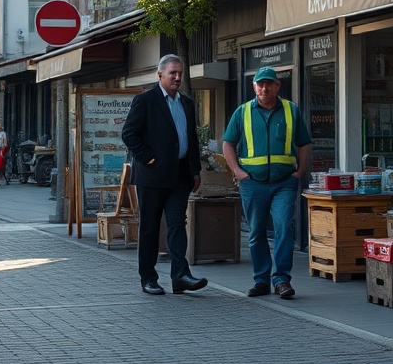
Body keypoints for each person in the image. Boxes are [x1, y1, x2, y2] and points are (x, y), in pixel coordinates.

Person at [121, 54, 208, 297]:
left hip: (180, 175)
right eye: (173, 73)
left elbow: (191, 139)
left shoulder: (187, 103)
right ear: (160, 75)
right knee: (149, 228)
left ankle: (180, 276)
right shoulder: (145, 100)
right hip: (152, 175)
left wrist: (195, 170)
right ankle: (148, 277)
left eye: (180, 73)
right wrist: (147, 157)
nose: (178, 77)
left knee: (178, 224)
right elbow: (129, 134)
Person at [222, 67, 311, 300]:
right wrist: (238, 172)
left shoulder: (291, 111)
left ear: (277, 86)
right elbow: (228, 143)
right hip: (253, 183)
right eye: (260, 84)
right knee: (257, 232)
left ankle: (281, 279)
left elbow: (304, 143)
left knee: (283, 226)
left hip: (284, 182)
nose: (264, 88)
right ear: (253, 86)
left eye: (269, 84)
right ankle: (261, 280)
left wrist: (300, 172)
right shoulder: (242, 113)